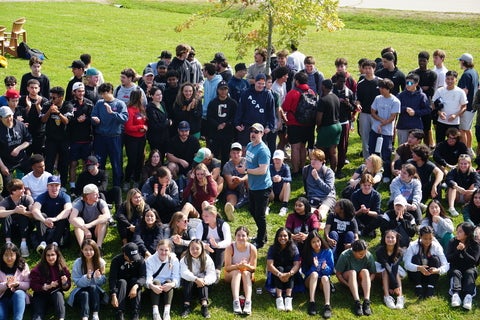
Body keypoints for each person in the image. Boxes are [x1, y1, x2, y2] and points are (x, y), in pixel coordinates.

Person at [236, 123, 272, 249]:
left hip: (262, 187)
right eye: (252, 131)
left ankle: (261, 240)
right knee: (252, 210)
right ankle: (263, 235)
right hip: (252, 186)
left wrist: (246, 171)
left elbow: (262, 170)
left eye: (256, 132)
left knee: (260, 215)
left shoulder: (263, 150)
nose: (253, 134)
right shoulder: (250, 146)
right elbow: (247, 159)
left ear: (262, 134)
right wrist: (243, 166)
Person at [91, 82, 128, 188]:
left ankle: (117, 187)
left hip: (114, 138)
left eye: (104, 93)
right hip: (101, 137)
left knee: (116, 163)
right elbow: (93, 116)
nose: (102, 96)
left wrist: (112, 113)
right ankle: (100, 186)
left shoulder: (120, 104)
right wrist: (95, 120)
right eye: (101, 94)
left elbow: (125, 119)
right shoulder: (99, 103)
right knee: (100, 163)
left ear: (110, 92)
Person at [282, 72, 316, 175]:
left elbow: (285, 107)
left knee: (295, 148)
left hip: (294, 124)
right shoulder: (311, 92)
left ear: (296, 81)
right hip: (308, 125)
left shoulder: (293, 93)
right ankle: (303, 168)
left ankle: (295, 170)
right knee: (303, 147)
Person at [403, 226, 449, 299]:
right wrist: (418, 268)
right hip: (416, 274)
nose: (428, 241)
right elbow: (406, 264)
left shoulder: (436, 246)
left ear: (433, 237)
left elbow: (446, 265)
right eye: (425, 238)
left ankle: (431, 286)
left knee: (435, 259)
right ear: (420, 237)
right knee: (415, 258)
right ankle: (418, 285)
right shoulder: (413, 245)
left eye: (430, 238)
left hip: (431, 274)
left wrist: (438, 270)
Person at [65, 81, 95, 194]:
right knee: (72, 163)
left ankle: (83, 184)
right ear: (74, 92)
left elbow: (93, 118)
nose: (81, 93)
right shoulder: (69, 104)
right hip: (74, 139)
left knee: (85, 163)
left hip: (87, 139)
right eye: (79, 91)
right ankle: (72, 186)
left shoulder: (90, 103)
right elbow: (67, 120)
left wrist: (86, 119)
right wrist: (76, 120)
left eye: (82, 91)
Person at [368, 78, 400, 180]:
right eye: (380, 88)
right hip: (375, 130)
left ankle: (386, 175)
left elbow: (392, 117)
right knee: (373, 151)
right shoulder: (377, 98)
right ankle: (373, 171)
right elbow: (373, 112)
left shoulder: (395, 101)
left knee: (386, 154)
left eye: (382, 88)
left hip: (387, 132)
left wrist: (381, 125)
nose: (380, 90)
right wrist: (380, 120)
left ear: (388, 89)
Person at [29, 243, 71, 320]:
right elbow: (33, 285)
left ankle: (61, 318)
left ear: (57, 255)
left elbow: (66, 287)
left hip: (55, 294)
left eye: (53, 255)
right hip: (41, 295)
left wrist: (65, 283)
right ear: (44, 256)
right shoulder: (38, 269)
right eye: (48, 255)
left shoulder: (62, 268)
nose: (50, 257)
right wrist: (47, 286)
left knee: (58, 294)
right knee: (38, 314)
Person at [67, 239, 107, 320]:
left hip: (95, 292)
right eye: (85, 249)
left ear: (95, 250)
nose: (88, 252)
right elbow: (77, 282)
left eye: (91, 249)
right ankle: (85, 317)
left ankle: (95, 314)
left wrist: (98, 277)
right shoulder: (78, 263)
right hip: (81, 291)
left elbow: (103, 282)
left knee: (93, 287)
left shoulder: (101, 262)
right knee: (85, 294)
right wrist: (87, 277)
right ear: (82, 250)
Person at [335, 239, 376, 316]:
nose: (363, 255)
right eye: (360, 254)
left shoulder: (369, 255)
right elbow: (338, 274)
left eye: (364, 253)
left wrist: (367, 282)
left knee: (365, 271)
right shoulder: (344, 255)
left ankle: (366, 301)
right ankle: (357, 302)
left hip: (361, 279)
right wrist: (348, 285)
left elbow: (373, 273)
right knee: (352, 272)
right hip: (348, 277)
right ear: (353, 251)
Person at [41, 86, 72, 187]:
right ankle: (48, 184)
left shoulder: (68, 105)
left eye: (54, 98)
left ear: (61, 97)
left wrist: (58, 113)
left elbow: (67, 121)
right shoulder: (47, 105)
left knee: (64, 164)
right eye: (51, 97)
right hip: (51, 139)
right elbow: (43, 120)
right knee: (49, 163)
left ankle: (62, 185)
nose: (51, 100)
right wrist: (50, 111)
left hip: (64, 139)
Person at [31, 176, 71, 252]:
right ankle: (42, 243)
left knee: (62, 217)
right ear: (47, 186)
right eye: (51, 185)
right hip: (45, 223)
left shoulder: (65, 196)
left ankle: (55, 243)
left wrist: (55, 218)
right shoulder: (42, 196)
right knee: (41, 215)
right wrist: (44, 220)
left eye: (56, 185)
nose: (54, 188)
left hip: (59, 222)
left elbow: (68, 210)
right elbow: (35, 210)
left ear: (60, 186)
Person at [446, 222, 480, 311]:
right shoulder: (453, 242)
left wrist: (463, 251)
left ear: (467, 234)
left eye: (460, 231)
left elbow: (474, 262)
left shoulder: (475, 245)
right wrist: (457, 251)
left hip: (469, 268)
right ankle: (455, 294)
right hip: (455, 267)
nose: (457, 233)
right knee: (455, 272)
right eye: (457, 231)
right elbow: (448, 258)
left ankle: (468, 297)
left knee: (470, 273)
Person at [224, 226, 257, 315]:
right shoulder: (230, 248)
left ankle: (248, 302)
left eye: (243, 235)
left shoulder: (252, 248)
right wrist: (237, 266)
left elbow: (253, 269)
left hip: (246, 275)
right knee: (237, 272)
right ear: (235, 236)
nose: (241, 238)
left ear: (247, 237)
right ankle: (236, 301)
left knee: (245, 273)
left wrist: (246, 266)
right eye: (238, 235)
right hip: (231, 274)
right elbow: (227, 268)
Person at [266, 227, 301, 312]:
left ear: (289, 237)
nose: (282, 238)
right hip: (276, 275)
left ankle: (288, 298)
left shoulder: (294, 248)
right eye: (280, 236)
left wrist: (289, 273)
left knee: (289, 268)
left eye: (285, 236)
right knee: (280, 268)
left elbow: (297, 264)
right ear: (277, 237)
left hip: (290, 276)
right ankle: (279, 298)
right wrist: (279, 274)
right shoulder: (272, 248)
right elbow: (270, 265)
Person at [179, 239, 216, 318]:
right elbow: (184, 273)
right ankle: (186, 305)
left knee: (202, 277)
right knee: (187, 278)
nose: (195, 251)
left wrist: (204, 281)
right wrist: (196, 279)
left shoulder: (207, 258)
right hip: (189, 287)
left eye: (197, 248)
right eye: (192, 248)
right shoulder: (184, 259)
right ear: (189, 249)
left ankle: (204, 306)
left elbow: (212, 274)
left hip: (203, 286)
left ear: (202, 249)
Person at [109, 242, 146, 320]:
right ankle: (120, 311)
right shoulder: (116, 261)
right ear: (125, 255)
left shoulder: (140, 260)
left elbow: (143, 277)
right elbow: (112, 279)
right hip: (121, 288)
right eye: (131, 258)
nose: (133, 260)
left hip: (133, 286)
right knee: (122, 281)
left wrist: (136, 286)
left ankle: (135, 312)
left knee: (135, 280)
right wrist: (113, 295)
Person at [301, 230, 334, 318]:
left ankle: (327, 305)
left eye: (318, 241)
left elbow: (331, 270)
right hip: (310, 280)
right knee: (315, 274)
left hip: (322, 282)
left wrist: (324, 268)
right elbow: (304, 271)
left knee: (325, 278)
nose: (317, 244)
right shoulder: (307, 253)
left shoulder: (328, 251)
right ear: (310, 243)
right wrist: (314, 267)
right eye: (313, 242)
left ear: (321, 240)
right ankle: (312, 302)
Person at [195, 203, 232, 281]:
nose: (204, 218)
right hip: (208, 249)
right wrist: (205, 246)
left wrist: (217, 245)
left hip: (220, 251)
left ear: (214, 215)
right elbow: (197, 241)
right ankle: (205, 270)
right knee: (203, 249)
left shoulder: (223, 225)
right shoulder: (201, 225)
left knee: (221, 248)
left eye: (206, 216)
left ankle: (217, 271)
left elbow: (228, 241)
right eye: (203, 215)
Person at [145, 239, 179, 320]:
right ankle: (155, 312)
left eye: (166, 250)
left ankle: (166, 312)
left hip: (167, 285)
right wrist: (152, 286)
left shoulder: (174, 260)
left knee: (169, 282)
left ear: (170, 250)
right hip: (155, 285)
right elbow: (148, 277)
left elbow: (176, 277)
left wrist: (172, 284)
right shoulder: (150, 260)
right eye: (161, 249)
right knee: (156, 282)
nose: (163, 252)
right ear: (157, 248)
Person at [69, 184, 111, 249]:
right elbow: (71, 219)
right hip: (84, 233)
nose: (98, 195)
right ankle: (82, 248)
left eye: (98, 193)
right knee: (78, 219)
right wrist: (85, 229)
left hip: (97, 231)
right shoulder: (79, 203)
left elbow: (107, 216)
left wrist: (90, 225)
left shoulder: (100, 202)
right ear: (88, 196)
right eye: (95, 194)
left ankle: (99, 247)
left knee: (102, 218)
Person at [0, 106, 32, 191]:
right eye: (6, 117)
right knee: (8, 188)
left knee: (32, 175)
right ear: (0, 118)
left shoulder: (20, 125)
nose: (9, 118)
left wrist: (18, 148)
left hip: (21, 159)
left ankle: (28, 193)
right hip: (6, 162)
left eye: (10, 115)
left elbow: (29, 140)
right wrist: (2, 167)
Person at [206, 80, 237, 166]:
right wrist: (217, 125)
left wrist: (226, 124)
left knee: (226, 155)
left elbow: (235, 117)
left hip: (227, 133)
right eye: (221, 89)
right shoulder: (213, 103)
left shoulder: (233, 103)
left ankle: (225, 173)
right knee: (214, 154)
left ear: (228, 90)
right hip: (215, 133)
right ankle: (214, 171)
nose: (223, 91)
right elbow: (209, 117)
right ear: (217, 90)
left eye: (225, 89)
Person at [0, 179, 34, 257]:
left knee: (23, 216)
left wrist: (24, 212)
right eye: (21, 189)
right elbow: (0, 213)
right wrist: (14, 211)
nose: (24, 190)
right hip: (11, 228)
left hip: (26, 227)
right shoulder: (6, 201)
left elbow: (33, 213)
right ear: (14, 191)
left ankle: (23, 244)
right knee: (5, 216)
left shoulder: (27, 198)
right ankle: (8, 243)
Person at [410, 52, 437, 148]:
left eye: (424, 61)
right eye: (420, 60)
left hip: (426, 105)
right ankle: (413, 147)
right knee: (413, 129)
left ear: (428, 61)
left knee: (426, 128)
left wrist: (418, 87)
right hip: (414, 104)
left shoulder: (432, 74)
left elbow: (431, 91)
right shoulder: (413, 73)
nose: (421, 62)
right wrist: (423, 88)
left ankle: (425, 148)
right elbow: (409, 86)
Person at [332, 71, 357, 177]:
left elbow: (353, 108)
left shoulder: (349, 92)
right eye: (341, 81)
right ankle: (330, 167)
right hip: (332, 122)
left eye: (344, 81)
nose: (343, 83)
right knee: (331, 146)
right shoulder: (330, 90)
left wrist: (347, 104)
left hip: (344, 122)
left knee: (343, 146)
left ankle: (339, 169)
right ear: (336, 80)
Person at [432, 70, 467, 143]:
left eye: (452, 79)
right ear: (445, 79)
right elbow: (433, 103)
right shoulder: (440, 90)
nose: (449, 81)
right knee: (439, 142)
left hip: (454, 123)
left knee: (454, 142)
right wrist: (439, 113)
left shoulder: (460, 92)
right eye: (448, 79)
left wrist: (455, 115)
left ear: (456, 80)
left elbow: (464, 107)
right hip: (441, 121)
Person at [396, 73, 431, 145]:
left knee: (415, 149)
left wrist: (415, 112)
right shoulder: (401, 95)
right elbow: (395, 107)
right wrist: (405, 109)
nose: (408, 85)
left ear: (416, 83)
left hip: (416, 126)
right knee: (402, 147)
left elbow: (427, 110)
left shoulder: (422, 96)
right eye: (406, 83)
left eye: (410, 83)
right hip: (402, 126)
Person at [123, 88, 148, 191]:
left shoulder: (142, 109)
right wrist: (140, 127)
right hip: (131, 139)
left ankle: (136, 180)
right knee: (132, 160)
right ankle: (127, 180)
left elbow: (146, 121)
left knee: (140, 159)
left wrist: (145, 127)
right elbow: (128, 127)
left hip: (141, 138)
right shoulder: (129, 110)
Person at [302, 148, 336, 222]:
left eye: (315, 160)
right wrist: (307, 194)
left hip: (327, 197)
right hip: (313, 196)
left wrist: (317, 178)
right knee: (310, 211)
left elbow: (328, 189)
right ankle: (313, 220)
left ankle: (317, 219)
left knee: (322, 210)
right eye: (312, 159)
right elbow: (305, 184)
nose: (312, 161)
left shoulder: (328, 172)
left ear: (321, 161)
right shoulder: (306, 169)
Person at [316, 79, 342, 174]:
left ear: (323, 87)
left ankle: (320, 171)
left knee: (320, 151)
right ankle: (333, 171)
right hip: (337, 125)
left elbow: (319, 117)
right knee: (333, 151)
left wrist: (318, 127)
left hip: (327, 127)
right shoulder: (336, 97)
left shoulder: (323, 100)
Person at [356, 60, 381, 158]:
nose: (367, 70)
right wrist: (358, 105)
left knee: (378, 137)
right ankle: (367, 159)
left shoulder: (380, 82)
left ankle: (378, 159)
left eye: (369, 68)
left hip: (378, 114)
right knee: (365, 138)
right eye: (365, 68)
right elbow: (358, 99)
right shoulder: (361, 83)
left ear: (374, 69)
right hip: (365, 114)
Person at [375, 230, 405, 310]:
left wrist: (393, 286)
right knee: (385, 271)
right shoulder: (379, 251)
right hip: (382, 268)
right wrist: (394, 285)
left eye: (392, 237)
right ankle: (387, 296)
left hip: (395, 271)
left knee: (397, 272)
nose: (390, 239)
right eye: (388, 237)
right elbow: (386, 266)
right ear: (384, 238)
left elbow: (394, 267)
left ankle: (400, 297)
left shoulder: (400, 251)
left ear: (396, 239)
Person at [18, 79, 48, 156]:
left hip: (39, 132)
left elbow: (44, 117)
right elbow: (21, 116)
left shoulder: (44, 101)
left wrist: (38, 106)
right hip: (26, 132)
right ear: (27, 88)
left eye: (35, 88)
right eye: (31, 87)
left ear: (39, 88)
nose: (33, 90)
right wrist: (28, 107)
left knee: (38, 154)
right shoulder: (22, 100)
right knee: (25, 156)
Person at [0, 242, 30, 320]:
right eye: (6, 255)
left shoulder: (23, 266)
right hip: (2, 300)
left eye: (12, 255)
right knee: (1, 317)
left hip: (18, 298)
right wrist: (6, 284)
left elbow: (29, 283)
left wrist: (18, 284)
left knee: (19, 293)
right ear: (2, 256)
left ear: (16, 255)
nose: (9, 258)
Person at [457, 53, 479, 155]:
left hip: (466, 107)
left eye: (460, 61)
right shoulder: (474, 72)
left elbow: (464, 91)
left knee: (462, 130)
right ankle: (470, 149)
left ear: (463, 62)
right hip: (472, 107)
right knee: (468, 129)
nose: (459, 63)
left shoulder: (466, 74)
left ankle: (465, 152)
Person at [222, 142, 248, 220]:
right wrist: (237, 181)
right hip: (234, 189)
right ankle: (230, 209)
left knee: (249, 178)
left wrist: (241, 179)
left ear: (242, 153)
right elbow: (230, 185)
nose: (236, 155)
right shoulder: (227, 166)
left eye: (238, 153)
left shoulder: (247, 162)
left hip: (246, 187)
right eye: (233, 153)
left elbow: (251, 174)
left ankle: (251, 197)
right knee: (231, 198)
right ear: (230, 153)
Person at [146, 86, 171, 165]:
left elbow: (165, 117)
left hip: (164, 136)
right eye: (157, 95)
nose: (160, 96)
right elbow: (155, 125)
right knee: (156, 156)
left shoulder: (162, 104)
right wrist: (167, 123)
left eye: (160, 94)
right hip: (156, 138)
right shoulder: (150, 108)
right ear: (152, 96)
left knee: (163, 156)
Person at [268, 150, 291, 216]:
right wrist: (272, 179)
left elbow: (290, 179)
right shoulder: (270, 167)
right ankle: (266, 206)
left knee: (287, 183)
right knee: (266, 184)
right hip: (271, 193)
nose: (277, 161)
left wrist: (281, 179)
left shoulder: (286, 167)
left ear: (283, 159)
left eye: (279, 159)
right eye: (275, 159)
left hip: (281, 194)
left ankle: (284, 206)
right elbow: (265, 179)